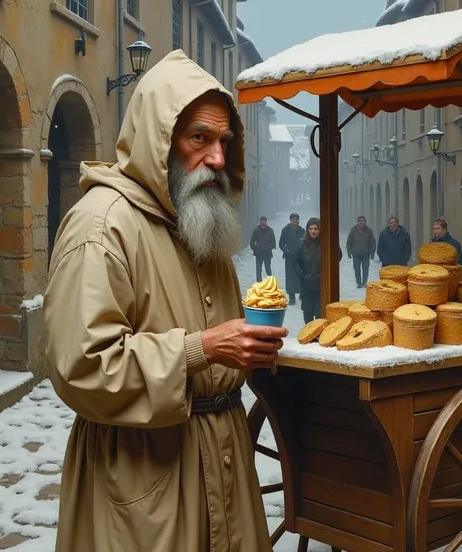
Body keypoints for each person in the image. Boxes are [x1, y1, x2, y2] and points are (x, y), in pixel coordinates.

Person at [43, 50, 285, 552]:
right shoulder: (102, 225)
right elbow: (83, 367)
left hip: (224, 462)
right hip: (145, 477)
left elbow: (221, 337)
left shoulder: (201, 217)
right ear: (160, 139)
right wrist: (202, 350)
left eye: (224, 142)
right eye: (199, 137)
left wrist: (248, 352)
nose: (217, 157)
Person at [293, 217, 343, 323]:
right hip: (307, 285)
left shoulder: (325, 243)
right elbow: (296, 262)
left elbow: (337, 255)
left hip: (321, 285)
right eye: (311, 228)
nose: (313, 231)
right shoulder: (301, 244)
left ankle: (319, 335)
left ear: (320, 230)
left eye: (316, 229)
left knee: (319, 313)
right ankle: (308, 335)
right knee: (307, 312)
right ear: (307, 230)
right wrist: (302, 275)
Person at [279, 212, 305, 305]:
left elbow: (306, 242)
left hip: (300, 257)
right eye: (293, 219)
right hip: (289, 257)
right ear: (290, 220)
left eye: (296, 219)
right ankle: (292, 296)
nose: (295, 220)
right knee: (290, 277)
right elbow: (281, 244)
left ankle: (302, 293)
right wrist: (286, 250)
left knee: (301, 274)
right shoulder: (285, 230)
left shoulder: (302, 231)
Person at [346, 215, 376, 288]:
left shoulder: (369, 231)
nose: (361, 222)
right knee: (356, 269)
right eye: (360, 221)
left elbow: (373, 242)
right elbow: (349, 242)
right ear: (357, 222)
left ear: (365, 222)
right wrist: (349, 251)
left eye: (363, 221)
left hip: (366, 254)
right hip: (356, 254)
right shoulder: (353, 230)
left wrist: (372, 252)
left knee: (365, 269)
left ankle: (364, 282)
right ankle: (358, 283)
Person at [250, 216, 276, 281]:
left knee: (268, 269)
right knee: (258, 270)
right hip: (259, 253)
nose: (263, 221)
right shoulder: (256, 230)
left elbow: (273, 242)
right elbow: (252, 241)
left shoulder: (270, 230)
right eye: (262, 220)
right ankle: (259, 284)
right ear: (260, 221)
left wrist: (268, 247)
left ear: (266, 221)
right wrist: (255, 248)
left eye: (264, 220)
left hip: (267, 253)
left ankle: (270, 283)